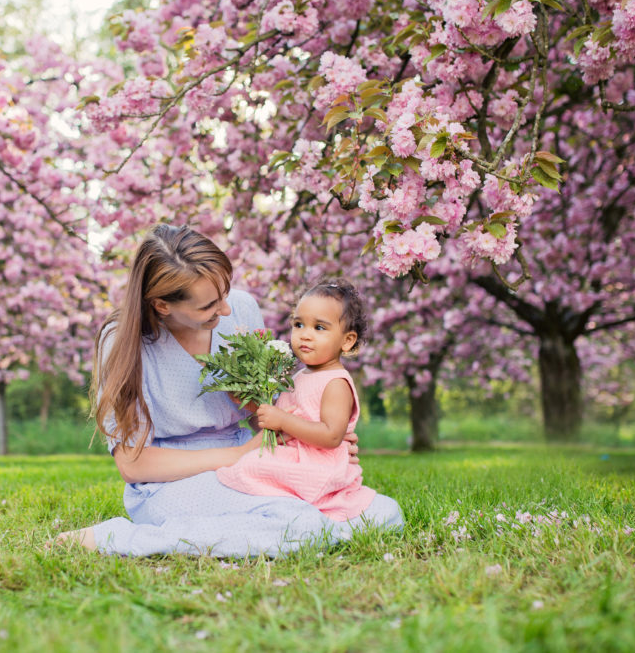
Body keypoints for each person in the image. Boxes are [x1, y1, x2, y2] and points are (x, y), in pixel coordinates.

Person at [56, 224, 403, 557]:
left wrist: (315, 437)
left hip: (259, 464)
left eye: (224, 293)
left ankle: (294, 531)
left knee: (384, 514)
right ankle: (122, 537)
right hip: (173, 482)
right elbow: (134, 465)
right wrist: (242, 454)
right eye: (209, 306)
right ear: (163, 305)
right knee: (300, 524)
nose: (225, 309)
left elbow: (262, 412)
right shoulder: (121, 342)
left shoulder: (241, 308)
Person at [216, 279, 378, 522]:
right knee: (250, 464)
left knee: (253, 466)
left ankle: (291, 513)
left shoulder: (336, 383)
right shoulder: (299, 375)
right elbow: (275, 425)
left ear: (347, 340)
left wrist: (282, 419)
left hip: (319, 463)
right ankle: (269, 510)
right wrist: (252, 406)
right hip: (295, 455)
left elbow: (331, 436)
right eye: (299, 324)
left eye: (319, 328)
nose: (305, 335)